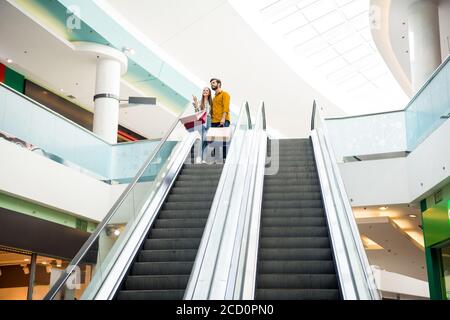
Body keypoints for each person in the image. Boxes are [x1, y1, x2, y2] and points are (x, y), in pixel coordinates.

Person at [209, 78, 231, 161]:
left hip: (223, 120)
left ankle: (225, 158)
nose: (212, 84)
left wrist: (223, 118)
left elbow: (226, 107)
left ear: (219, 84)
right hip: (214, 121)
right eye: (211, 83)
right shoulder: (214, 98)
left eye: (214, 83)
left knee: (224, 139)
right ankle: (216, 158)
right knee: (215, 140)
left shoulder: (225, 94)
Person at [191, 87, 213, 163]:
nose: (205, 91)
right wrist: (196, 103)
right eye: (204, 90)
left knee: (206, 139)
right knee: (204, 136)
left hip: (209, 120)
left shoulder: (211, 103)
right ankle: (199, 156)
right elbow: (197, 112)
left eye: (207, 90)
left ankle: (203, 159)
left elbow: (212, 113)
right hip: (202, 120)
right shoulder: (200, 102)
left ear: (209, 93)